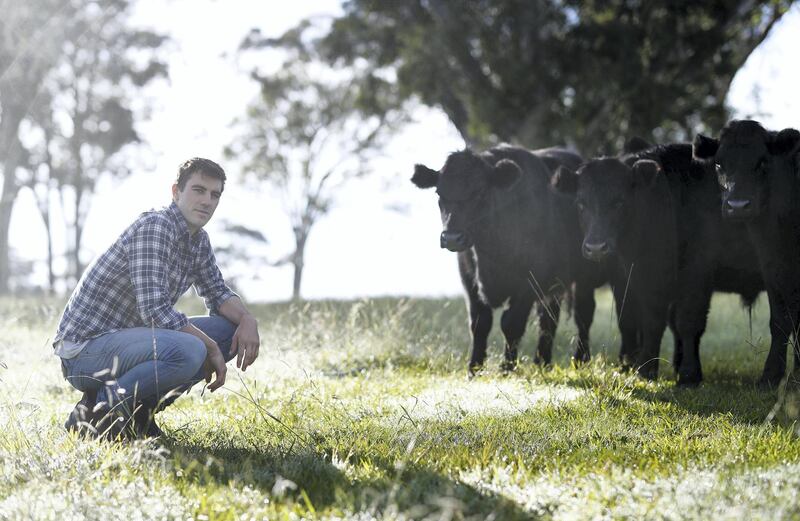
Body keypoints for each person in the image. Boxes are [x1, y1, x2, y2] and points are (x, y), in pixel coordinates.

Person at [53, 157, 260, 440]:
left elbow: (218, 292)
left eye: (215, 195)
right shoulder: (156, 226)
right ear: (176, 192)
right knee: (191, 350)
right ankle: (99, 413)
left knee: (228, 330)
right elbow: (154, 311)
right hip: (85, 350)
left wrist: (248, 319)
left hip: (131, 341)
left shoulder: (198, 240)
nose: (207, 201)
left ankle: (139, 413)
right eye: (198, 190)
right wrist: (209, 347)